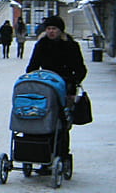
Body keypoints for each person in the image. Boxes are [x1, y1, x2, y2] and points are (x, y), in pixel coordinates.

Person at [24, 15, 87, 172]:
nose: (51, 32)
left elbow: (80, 69)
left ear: (60, 30)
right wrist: (33, 79)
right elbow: (32, 66)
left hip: (64, 88)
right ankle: (40, 156)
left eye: (54, 29)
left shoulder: (71, 46)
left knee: (61, 124)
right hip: (45, 87)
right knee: (40, 119)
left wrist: (72, 83)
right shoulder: (42, 45)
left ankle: (61, 155)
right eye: (49, 29)